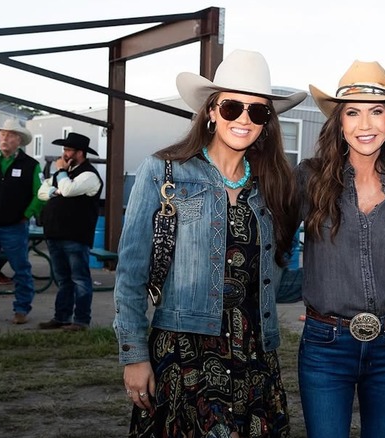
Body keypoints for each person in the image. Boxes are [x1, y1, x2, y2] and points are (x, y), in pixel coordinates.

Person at [113, 49, 305, 437]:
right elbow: (131, 273)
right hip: (183, 353)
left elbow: (274, 279)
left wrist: (333, 293)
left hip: (255, 357)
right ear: (212, 112)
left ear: (267, 123)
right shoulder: (164, 172)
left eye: (258, 111)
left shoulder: (275, 185)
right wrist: (134, 355)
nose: (244, 119)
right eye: (232, 107)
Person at [295, 60, 385, 438]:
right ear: (339, 122)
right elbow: (271, 244)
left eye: (376, 112)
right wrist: (311, 296)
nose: (365, 125)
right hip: (326, 346)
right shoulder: (309, 178)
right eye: (352, 112)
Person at [37, 133, 103, 331]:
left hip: (75, 236)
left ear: (80, 153)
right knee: (63, 279)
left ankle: (81, 320)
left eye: (68, 150)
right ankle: (62, 317)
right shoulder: (64, 175)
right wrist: (54, 190)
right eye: (64, 150)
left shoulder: (89, 175)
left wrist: (60, 175)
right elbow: (41, 192)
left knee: (80, 279)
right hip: (55, 233)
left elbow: (67, 190)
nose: (64, 154)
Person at [0, 118, 43, 324]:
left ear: (19, 140)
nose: (4, 138)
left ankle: (21, 310)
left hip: (15, 226)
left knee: (21, 269)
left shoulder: (31, 165)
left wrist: (27, 214)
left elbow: (40, 194)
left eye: (9, 135)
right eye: (2, 134)